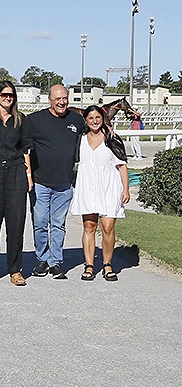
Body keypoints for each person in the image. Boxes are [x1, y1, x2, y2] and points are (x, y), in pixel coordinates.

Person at [0, 81, 34, 286]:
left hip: (16, 172)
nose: (8, 98)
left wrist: (29, 176)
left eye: (11, 95)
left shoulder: (21, 120)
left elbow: (26, 149)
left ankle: (15, 270)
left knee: (16, 223)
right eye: (4, 95)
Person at [29, 84, 85, 279]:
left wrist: (107, 128)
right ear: (50, 100)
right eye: (58, 99)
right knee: (40, 222)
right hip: (40, 182)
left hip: (64, 183)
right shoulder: (35, 120)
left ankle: (55, 261)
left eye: (65, 98)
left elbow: (94, 129)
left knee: (58, 224)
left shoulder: (76, 119)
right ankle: (42, 258)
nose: (62, 102)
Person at [70, 105, 130, 281]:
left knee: (108, 227)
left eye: (97, 117)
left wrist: (126, 188)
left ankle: (107, 264)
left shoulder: (112, 138)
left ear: (103, 119)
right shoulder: (80, 139)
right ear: (85, 120)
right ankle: (89, 265)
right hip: (88, 186)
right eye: (91, 118)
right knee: (89, 226)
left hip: (109, 187)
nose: (94, 121)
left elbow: (122, 165)